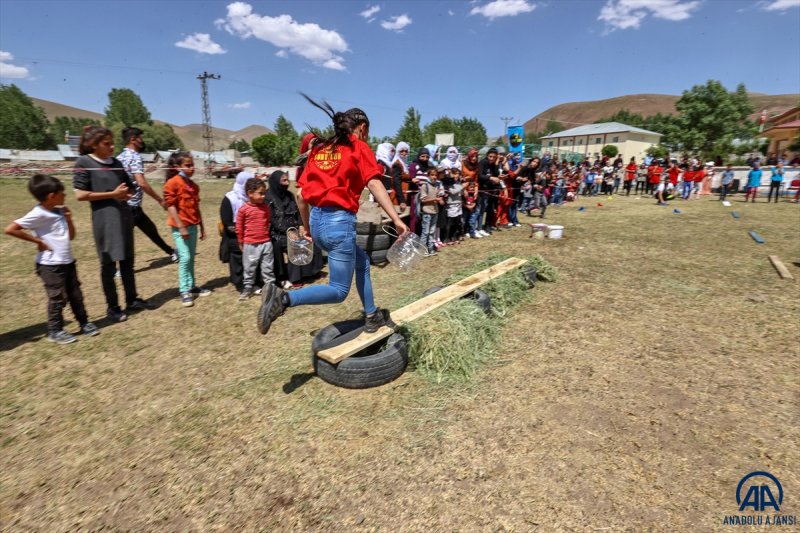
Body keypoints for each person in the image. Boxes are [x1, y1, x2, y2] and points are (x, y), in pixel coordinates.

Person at [257, 97, 408, 336]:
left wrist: (307, 229)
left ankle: (371, 315)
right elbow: (375, 183)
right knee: (338, 290)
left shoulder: (320, 149)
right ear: (363, 128)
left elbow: (301, 197)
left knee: (362, 261)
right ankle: (283, 299)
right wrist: (398, 220)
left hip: (317, 220)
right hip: (338, 223)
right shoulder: (359, 147)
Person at [5, 174, 100, 344]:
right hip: (50, 265)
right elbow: (11, 229)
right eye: (62, 193)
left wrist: (69, 219)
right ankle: (55, 331)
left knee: (76, 294)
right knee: (57, 298)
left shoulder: (59, 211)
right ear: (51, 196)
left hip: (68, 261)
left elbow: (70, 236)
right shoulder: (38, 213)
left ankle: (84, 323)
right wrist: (38, 241)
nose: (65, 196)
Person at [73, 125, 149, 323]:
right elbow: (80, 194)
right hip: (104, 220)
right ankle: (113, 307)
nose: (112, 146)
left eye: (112, 142)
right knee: (108, 265)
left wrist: (128, 193)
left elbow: (130, 188)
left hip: (124, 217)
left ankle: (132, 299)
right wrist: (113, 195)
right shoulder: (84, 162)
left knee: (128, 261)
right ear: (93, 144)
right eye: (107, 143)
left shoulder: (116, 162)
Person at [117, 127, 176, 263]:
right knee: (129, 238)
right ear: (133, 139)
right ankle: (119, 268)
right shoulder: (135, 157)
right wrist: (159, 199)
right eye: (140, 138)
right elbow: (141, 183)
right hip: (132, 206)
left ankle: (171, 252)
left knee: (149, 229)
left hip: (125, 205)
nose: (142, 141)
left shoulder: (119, 157)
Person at [163, 151, 211, 307]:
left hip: (193, 227)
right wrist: (181, 226)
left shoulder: (193, 186)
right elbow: (170, 206)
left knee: (191, 257)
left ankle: (192, 286)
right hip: (180, 228)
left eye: (192, 165)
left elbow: (196, 208)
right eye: (187, 165)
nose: (192, 168)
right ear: (178, 167)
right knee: (185, 258)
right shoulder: (172, 183)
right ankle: (184, 290)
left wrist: (202, 227)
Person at [265, 169, 324, 289]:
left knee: (311, 238)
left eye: (288, 180)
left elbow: (297, 213)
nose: (287, 183)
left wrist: (302, 226)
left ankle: (309, 272)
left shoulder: (289, 195)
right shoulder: (268, 197)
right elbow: (272, 220)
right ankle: (287, 278)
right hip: (276, 233)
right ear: (276, 182)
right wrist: (289, 232)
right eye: (284, 180)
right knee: (287, 243)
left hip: (292, 229)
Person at [236, 177, 275, 301]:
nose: (263, 196)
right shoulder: (243, 209)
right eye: (261, 193)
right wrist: (241, 241)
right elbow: (239, 227)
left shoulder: (266, 207)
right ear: (250, 193)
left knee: (268, 267)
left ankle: (270, 288)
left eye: (264, 193)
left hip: (265, 242)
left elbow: (268, 221)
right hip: (250, 244)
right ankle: (247, 288)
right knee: (249, 268)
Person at [219, 171, 250, 292]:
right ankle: (239, 281)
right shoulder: (230, 198)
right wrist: (244, 230)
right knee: (237, 248)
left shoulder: (253, 196)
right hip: (234, 234)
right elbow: (227, 224)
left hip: (251, 233)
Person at [477, 148, 501, 234]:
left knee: (490, 209)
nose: (491, 158)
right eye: (490, 156)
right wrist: (490, 178)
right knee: (481, 209)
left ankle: (487, 225)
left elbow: (497, 174)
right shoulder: (482, 163)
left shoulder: (494, 164)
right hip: (482, 189)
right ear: (487, 155)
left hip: (491, 189)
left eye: (494, 157)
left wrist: (497, 164)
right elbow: (479, 175)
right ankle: (478, 227)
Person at [418, 167, 441, 256]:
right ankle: (422, 250)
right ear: (428, 175)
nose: (434, 177)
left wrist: (441, 200)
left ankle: (430, 248)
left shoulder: (437, 186)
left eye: (435, 175)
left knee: (432, 231)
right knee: (425, 232)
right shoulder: (425, 186)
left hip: (435, 211)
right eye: (432, 175)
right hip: (427, 212)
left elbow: (438, 197)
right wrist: (434, 199)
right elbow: (423, 200)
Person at [391, 142, 410, 211]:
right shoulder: (397, 164)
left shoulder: (404, 164)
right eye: (401, 151)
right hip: (398, 197)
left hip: (405, 195)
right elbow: (397, 183)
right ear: (398, 151)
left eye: (406, 151)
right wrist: (402, 200)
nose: (404, 153)